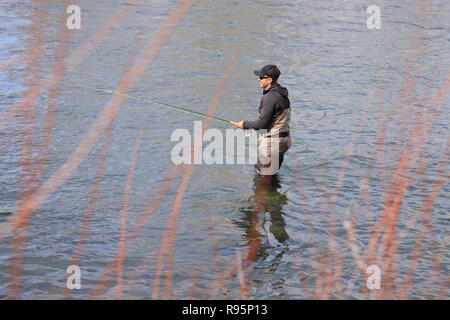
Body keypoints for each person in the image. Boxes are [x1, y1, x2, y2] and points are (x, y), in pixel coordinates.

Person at [232, 65, 291, 175]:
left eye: (261, 77)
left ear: (269, 80)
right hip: (284, 140)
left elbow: (262, 123)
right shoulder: (282, 94)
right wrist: (264, 135)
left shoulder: (270, 97)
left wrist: (244, 124)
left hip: (272, 144)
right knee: (272, 175)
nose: (258, 79)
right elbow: (278, 120)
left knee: (262, 179)